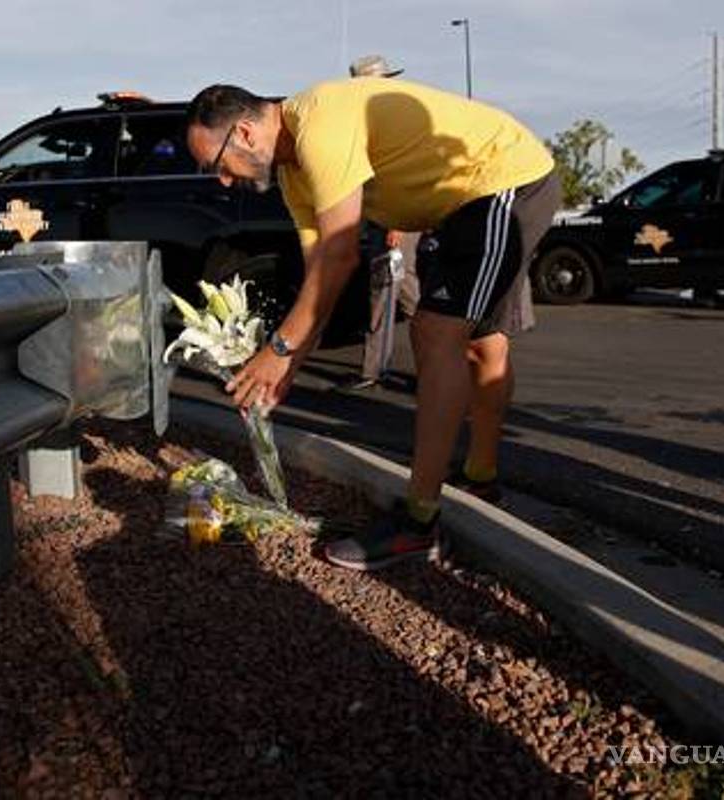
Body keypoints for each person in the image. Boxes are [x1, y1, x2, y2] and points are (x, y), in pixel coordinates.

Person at [185, 74, 558, 571]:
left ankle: (419, 524)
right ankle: (481, 478)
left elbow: (341, 256)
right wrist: (289, 364)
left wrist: (278, 350)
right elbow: (322, 274)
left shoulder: (319, 125)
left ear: (246, 134)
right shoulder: (295, 176)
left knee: (435, 331)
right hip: (455, 206)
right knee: (480, 343)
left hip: (502, 179)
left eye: (216, 164)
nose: (222, 181)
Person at [340, 55, 420, 391]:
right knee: (401, 292)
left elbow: (400, 176)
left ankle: (375, 370)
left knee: (392, 291)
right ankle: (434, 364)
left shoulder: (391, 123)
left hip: (394, 219)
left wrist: (396, 224)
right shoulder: (378, 119)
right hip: (385, 218)